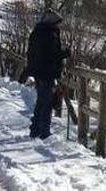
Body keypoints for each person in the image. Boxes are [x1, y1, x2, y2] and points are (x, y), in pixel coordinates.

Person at [24, 10, 68, 140]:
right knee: (46, 102)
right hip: (46, 72)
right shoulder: (49, 34)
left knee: (41, 101)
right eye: (56, 23)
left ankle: (35, 129)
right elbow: (51, 54)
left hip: (38, 71)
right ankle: (44, 132)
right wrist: (64, 54)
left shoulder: (37, 32)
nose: (58, 26)